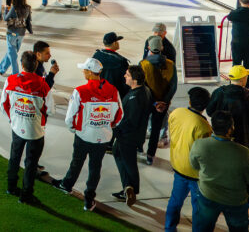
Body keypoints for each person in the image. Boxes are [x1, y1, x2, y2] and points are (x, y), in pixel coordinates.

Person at [54, 57, 123, 212]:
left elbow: (69, 117)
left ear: (91, 73)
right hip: (103, 137)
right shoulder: (113, 91)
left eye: (85, 69)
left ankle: (67, 185)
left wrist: (74, 129)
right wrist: (107, 127)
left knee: (77, 161)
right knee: (95, 167)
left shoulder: (80, 91)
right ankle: (89, 199)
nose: (83, 71)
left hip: (84, 135)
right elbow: (120, 115)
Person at [188, 110, 249, 232]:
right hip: (235, 200)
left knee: (203, 227)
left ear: (212, 127)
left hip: (208, 195)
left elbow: (194, 165)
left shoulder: (199, 145)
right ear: (230, 129)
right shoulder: (243, 152)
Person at [1, 50, 55, 204]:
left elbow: (3, 104)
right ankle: (26, 195)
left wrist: (13, 120)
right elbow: (50, 109)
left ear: (21, 64)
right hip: (35, 130)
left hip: (17, 127)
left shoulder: (11, 80)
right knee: (31, 164)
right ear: (36, 64)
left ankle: (11, 187)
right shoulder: (43, 84)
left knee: (14, 158)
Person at [165, 87, 212, 232]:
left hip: (178, 166)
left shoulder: (177, 113)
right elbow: (204, 152)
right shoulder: (203, 126)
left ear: (190, 101)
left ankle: (169, 228)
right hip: (195, 173)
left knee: (175, 201)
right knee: (198, 208)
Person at [111, 65, 150, 206]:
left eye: (127, 75)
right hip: (131, 135)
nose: (124, 76)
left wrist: (115, 128)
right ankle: (128, 187)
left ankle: (130, 188)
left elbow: (131, 120)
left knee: (129, 162)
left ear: (134, 79)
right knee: (117, 152)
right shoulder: (143, 91)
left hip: (128, 136)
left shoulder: (136, 97)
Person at [207, 65, 249, 153]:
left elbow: (209, 112)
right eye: (246, 76)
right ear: (243, 79)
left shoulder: (218, 93)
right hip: (244, 144)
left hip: (221, 140)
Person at [141, 35, 177, 164]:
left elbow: (143, 86)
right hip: (163, 104)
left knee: (143, 124)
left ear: (149, 47)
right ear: (162, 47)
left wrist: (154, 102)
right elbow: (173, 86)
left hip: (148, 102)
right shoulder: (170, 64)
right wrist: (164, 102)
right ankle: (151, 155)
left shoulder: (143, 65)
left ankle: (139, 148)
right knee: (156, 129)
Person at [0, 0, 32, 77]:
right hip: (21, 34)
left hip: (12, 33)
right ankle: (1, 69)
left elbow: (6, 18)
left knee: (12, 54)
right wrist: (30, 30)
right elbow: (28, 20)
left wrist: (5, 11)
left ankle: (15, 74)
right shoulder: (28, 8)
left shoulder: (14, 8)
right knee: (12, 52)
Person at [92, 32, 130, 98]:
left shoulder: (96, 55)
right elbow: (126, 82)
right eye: (117, 41)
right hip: (115, 95)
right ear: (114, 43)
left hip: (99, 93)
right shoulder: (121, 61)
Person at [227, 0, 249, 76]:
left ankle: (235, 82)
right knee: (248, 65)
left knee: (236, 64)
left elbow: (229, 17)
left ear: (240, 1)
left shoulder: (234, 13)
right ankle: (247, 84)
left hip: (237, 41)